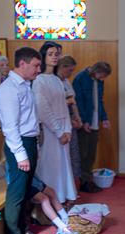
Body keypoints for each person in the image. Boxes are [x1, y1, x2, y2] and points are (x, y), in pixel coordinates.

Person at [0, 46, 47, 234]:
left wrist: (34, 147)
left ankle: (23, 231)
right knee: (16, 192)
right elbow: (10, 127)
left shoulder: (25, 85)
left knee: (25, 191)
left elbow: (29, 121)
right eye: (36, 65)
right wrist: (21, 154)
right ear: (22, 64)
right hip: (19, 144)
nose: (38, 70)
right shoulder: (9, 88)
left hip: (29, 142)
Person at [32, 43, 77, 204]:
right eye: (50, 54)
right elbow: (43, 110)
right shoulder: (39, 80)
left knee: (62, 167)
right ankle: (48, 204)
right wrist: (59, 132)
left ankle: (62, 199)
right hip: (50, 132)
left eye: (57, 54)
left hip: (62, 130)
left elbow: (64, 107)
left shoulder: (58, 80)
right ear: (43, 56)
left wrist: (68, 130)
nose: (54, 57)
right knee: (50, 167)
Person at [73, 61, 111, 193]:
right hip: (84, 121)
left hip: (95, 121)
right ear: (95, 71)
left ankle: (88, 180)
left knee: (91, 153)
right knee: (83, 153)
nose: (102, 79)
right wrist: (83, 121)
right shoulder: (80, 78)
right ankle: (83, 181)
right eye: (101, 76)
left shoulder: (99, 81)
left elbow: (100, 101)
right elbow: (78, 101)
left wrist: (104, 118)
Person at [57, 55, 83, 181]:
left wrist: (77, 118)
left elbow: (72, 101)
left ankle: (72, 184)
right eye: (70, 70)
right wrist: (69, 121)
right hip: (61, 118)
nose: (72, 73)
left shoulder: (67, 82)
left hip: (71, 115)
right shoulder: (55, 81)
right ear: (62, 67)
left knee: (73, 153)